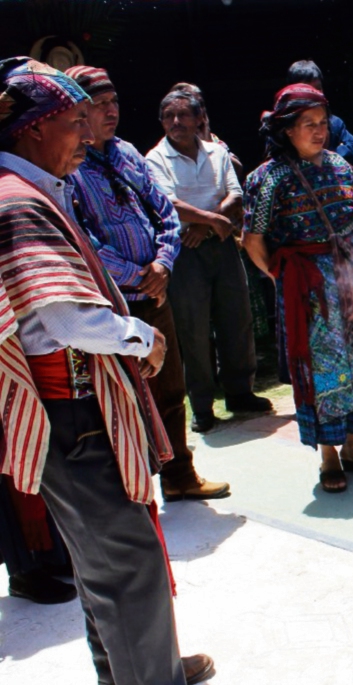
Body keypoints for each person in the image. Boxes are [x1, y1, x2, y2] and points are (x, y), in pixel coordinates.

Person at [0, 57, 246, 685]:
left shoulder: (29, 187)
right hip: (73, 409)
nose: (86, 135)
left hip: (75, 406)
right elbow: (59, 314)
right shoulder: (19, 200)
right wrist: (140, 336)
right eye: (73, 122)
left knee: (103, 554)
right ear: (36, 127)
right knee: (126, 552)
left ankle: (134, 674)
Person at [66, 66, 229, 501]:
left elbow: (164, 212)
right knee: (122, 397)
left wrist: (162, 264)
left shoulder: (127, 153)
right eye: (99, 104)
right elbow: (81, 237)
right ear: (78, 111)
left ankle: (179, 476)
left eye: (114, 102)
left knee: (170, 387)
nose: (110, 111)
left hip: (155, 295)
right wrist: (136, 275)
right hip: (112, 304)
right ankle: (132, 492)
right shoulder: (70, 165)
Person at [241, 84, 353, 492]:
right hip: (307, 291)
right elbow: (251, 239)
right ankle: (329, 455)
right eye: (308, 123)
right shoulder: (268, 178)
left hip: (349, 280)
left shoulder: (341, 166)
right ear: (287, 130)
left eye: (323, 122)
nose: (319, 130)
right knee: (323, 370)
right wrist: (281, 278)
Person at [147, 89, 271, 433]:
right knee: (193, 328)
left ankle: (240, 392)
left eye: (183, 115)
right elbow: (168, 203)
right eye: (169, 116)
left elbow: (236, 193)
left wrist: (206, 225)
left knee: (237, 318)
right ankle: (202, 405)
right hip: (184, 252)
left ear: (200, 118)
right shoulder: (155, 159)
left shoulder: (217, 152)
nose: (175, 122)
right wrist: (213, 220)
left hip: (221, 243)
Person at [287, 59, 353, 165]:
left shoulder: (335, 123)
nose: (315, 94)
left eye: (318, 88)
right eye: (309, 125)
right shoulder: (284, 126)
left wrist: (329, 157)